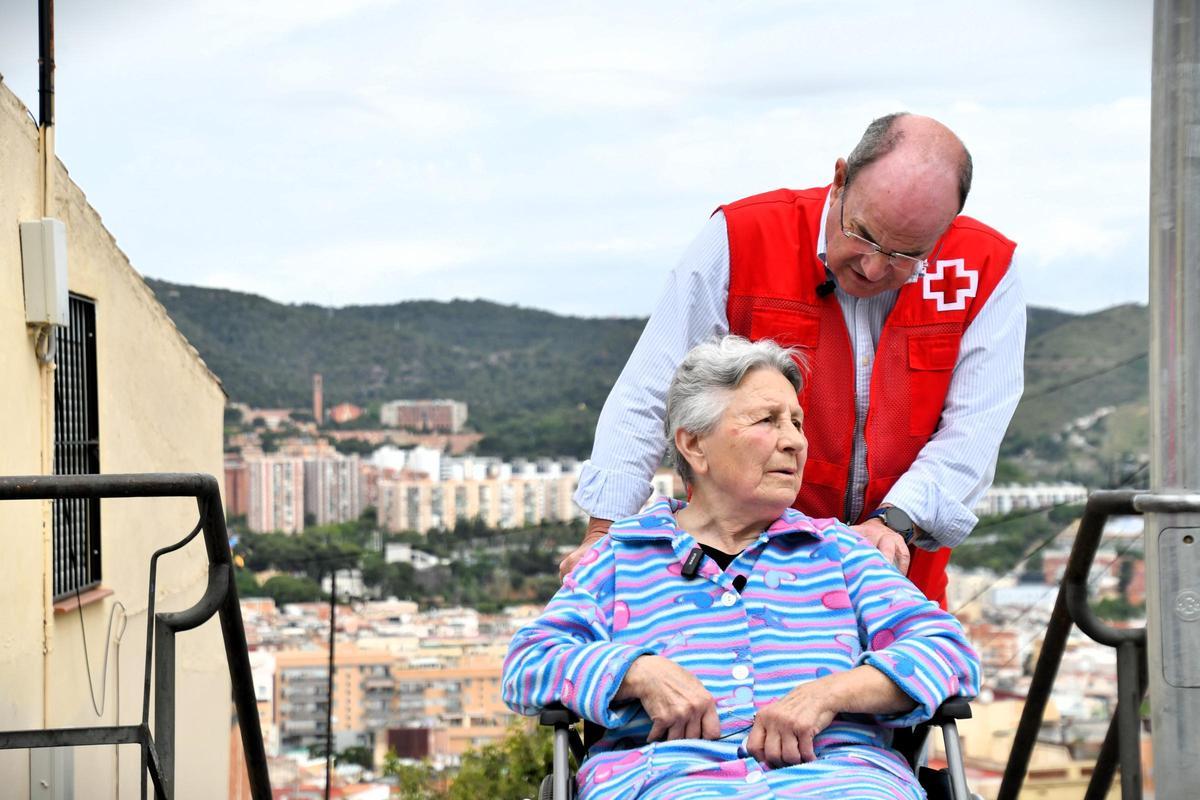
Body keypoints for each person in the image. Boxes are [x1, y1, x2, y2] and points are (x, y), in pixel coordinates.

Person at [564, 113, 1025, 607]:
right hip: (729, 582)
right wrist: (604, 531)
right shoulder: (741, 237)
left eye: (905, 255)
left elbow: (974, 430)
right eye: (863, 234)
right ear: (841, 178)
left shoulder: (986, 269)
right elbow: (650, 392)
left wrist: (894, 521)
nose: (872, 268)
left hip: (893, 585)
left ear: (945, 228)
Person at [505, 336, 981, 799]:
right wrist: (637, 672)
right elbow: (528, 664)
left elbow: (950, 653)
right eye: (768, 421)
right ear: (694, 445)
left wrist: (829, 694)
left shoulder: (838, 551)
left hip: (844, 779)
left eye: (796, 422)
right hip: (667, 781)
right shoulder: (620, 556)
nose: (794, 441)